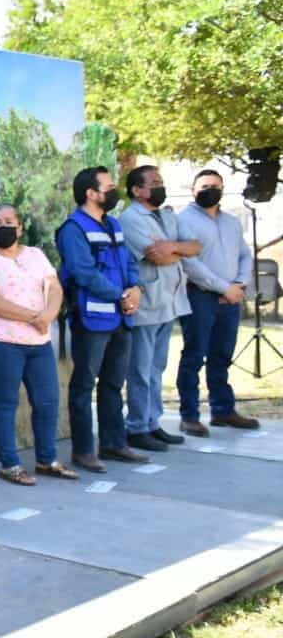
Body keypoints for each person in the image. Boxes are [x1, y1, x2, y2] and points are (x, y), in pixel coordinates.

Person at [0, 205, 77, 485]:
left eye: (8, 221)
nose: (2, 226)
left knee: (48, 402)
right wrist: (35, 317)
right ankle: (10, 464)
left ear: (19, 227)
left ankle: (47, 459)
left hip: (39, 344)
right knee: (6, 403)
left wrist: (49, 315)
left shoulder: (35, 255)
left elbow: (54, 287)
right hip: (1, 343)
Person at [56, 166, 146, 473]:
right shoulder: (73, 229)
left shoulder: (114, 224)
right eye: (108, 187)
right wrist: (121, 295)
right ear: (90, 194)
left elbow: (129, 262)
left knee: (113, 384)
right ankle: (83, 450)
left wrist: (135, 289)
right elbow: (83, 272)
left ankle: (114, 443)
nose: (113, 191)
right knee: (83, 385)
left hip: (121, 319)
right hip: (92, 319)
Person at [120, 165, 199, 450]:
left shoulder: (168, 215)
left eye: (161, 181)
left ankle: (153, 423)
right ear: (137, 190)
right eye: (154, 182)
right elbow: (157, 258)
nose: (160, 186)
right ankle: (137, 426)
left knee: (156, 368)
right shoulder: (130, 219)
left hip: (170, 303)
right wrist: (176, 250)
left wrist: (172, 247)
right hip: (147, 305)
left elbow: (195, 246)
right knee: (140, 370)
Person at [176, 169, 258, 435]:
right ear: (193, 190)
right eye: (205, 186)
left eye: (216, 186)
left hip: (231, 297)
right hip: (200, 295)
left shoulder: (233, 222)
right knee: (194, 355)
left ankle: (223, 410)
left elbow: (246, 255)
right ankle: (189, 415)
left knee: (222, 355)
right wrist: (224, 287)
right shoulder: (183, 221)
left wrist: (239, 284)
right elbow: (189, 263)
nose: (210, 190)